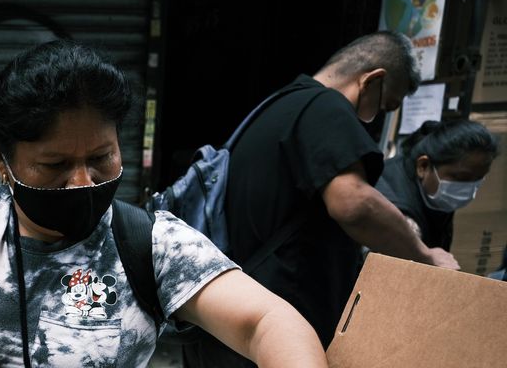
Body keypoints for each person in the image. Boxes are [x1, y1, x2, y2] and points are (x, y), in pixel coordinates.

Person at [0, 40, 327, 367]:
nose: (82, 181)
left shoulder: (151, 243)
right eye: (54, 166)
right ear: (1, 161)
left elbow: (266, 322)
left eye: (101, 157)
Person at [192, 31, 462, 366]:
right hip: (280, 327)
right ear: (372, 80)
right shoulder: (327, 107)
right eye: (385, 105)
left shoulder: (280, 104)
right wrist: (424, 255)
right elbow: (354, 203)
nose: (375, 118)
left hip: (236, 323)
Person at [376, 120, 499, 250]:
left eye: (479, 179)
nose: (468, 187)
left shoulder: (430, 191)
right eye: (462, 177)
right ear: (423, 166)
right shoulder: (396, 213)